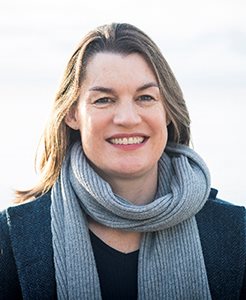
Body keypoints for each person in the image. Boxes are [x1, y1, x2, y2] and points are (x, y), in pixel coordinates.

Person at [0, 23, 245, 300]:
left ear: (168, 111)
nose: (127, 118)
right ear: (72, 115)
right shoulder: (11, 239)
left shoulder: (237, 233)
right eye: (104, 100)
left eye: (145, 97)